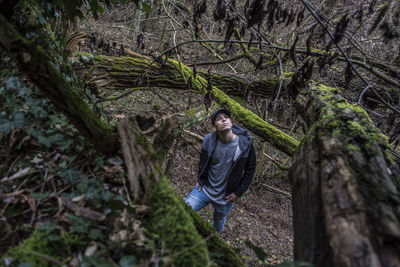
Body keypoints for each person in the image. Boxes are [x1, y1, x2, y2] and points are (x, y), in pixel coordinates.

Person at [185, 108, 257, 234]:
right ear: (214, 127)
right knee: (183, 211)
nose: (223, 119)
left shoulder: (245, 145)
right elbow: (203, 162)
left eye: (226, 117)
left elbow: (250, 170)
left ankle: (213, 244)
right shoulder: (209, 140)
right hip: (205, 190)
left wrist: (238, 193)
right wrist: (201, 180)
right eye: (219, 119)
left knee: (218, 222)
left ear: (231, 122)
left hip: (226, 197)